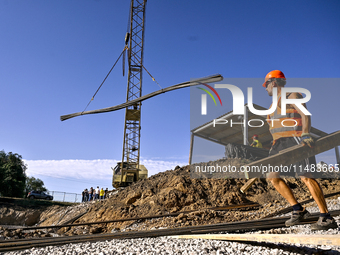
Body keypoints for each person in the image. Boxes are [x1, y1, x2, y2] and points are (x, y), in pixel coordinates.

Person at [263, 70, 338, 230]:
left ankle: (326, 217)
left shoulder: (291, 95)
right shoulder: (272, 105)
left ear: (274, 83)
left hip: (295, 139)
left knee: (305, 176)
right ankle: (299, 210)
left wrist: (305, 133)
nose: (266, 88)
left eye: (266, 84)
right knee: (272, 176)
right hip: (278, 144)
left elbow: (305, 114)